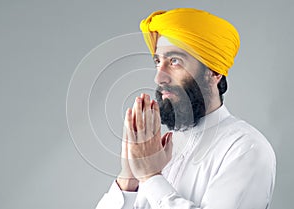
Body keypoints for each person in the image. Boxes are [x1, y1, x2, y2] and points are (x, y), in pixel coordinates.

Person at [96, 8, 276, 209]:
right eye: (158, 62)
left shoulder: (246, 148)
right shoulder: (163, 150)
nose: (159, 77)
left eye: (174, 61)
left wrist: (151, 177)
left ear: (214, 73)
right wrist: (129, 178)